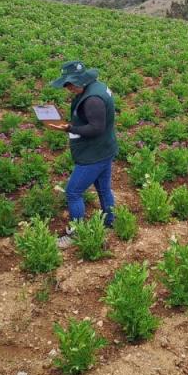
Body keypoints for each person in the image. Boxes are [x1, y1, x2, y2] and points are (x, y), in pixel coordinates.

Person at [46, 61, 118, 248]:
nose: (67, 88)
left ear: (77, 82)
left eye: (68, 85)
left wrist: (70, 128)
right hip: (105, 148)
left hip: (94, 154)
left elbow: (96, 128)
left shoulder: (93, 99)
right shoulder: (97, 86)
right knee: (103, 188)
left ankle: (76, 233)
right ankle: (111, 221)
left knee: (73, 192)